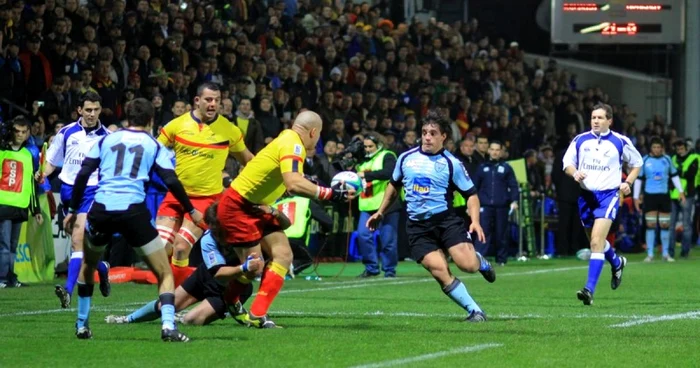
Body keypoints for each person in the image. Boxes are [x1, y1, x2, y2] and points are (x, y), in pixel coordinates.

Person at [65, 98, 203, 341]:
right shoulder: (153, 144)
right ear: (151, 120)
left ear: (127, 117)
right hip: (133, 213)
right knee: (164, 272)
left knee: (88, 266)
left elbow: (84, 173)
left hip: (102, 211)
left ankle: (82, 325)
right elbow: (170, 180)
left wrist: (73, 209)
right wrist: (191, 209)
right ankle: (168, 326)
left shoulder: (105, 139)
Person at [217, 110, 354, 328]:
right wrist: (331, 194)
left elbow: (285, 178)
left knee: (283, 254)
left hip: (256, 206)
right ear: (313, 132)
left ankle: (257, 314)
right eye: (318, 136)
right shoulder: (295, 145)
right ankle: (230, 299)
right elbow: (293, 183)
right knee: (254, 267)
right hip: (238, 207)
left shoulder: (286, 137)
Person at [366, 110, 495, 322]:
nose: (427, 137)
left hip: (445, 222)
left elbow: (471, 195)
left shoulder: (451, 163)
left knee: (467, 265)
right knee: (439, 270)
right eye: (424, 132)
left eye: (433, 133)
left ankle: (479, 262)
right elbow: (393, 185)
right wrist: (380, 211)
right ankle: (475, 311)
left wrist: (475, 221)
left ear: (443, 136)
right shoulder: (406, 159)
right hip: (418, 227)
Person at [104, 203, 290, 326]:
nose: (214, 232)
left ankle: (219, 310)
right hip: (208, 276)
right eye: (212, 229)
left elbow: (286, 223)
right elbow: (218, 273)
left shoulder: (247, 227)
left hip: (232, 288)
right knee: (166, 305)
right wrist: (243, 268)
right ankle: (127, 319)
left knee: (192, 321)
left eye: (217, 229)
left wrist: (273, 211)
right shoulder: (208, 239)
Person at [156, 82, 254, 287]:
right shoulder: (176, 125)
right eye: (209, 100)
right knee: (161, 249)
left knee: (181, 248)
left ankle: (175, 298)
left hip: (206, 200)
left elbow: (248, 161)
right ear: (197, 101)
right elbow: (153, 152)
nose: (213, 104)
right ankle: (167, 296)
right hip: (175, 196)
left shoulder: (229, 130)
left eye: (217, 100)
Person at [562, 103, 642, 306]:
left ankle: (589, 289)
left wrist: (628, 182)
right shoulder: (581, 140)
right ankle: (617, 262)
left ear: (609, 120)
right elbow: (567, 164)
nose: (595, 121)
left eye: (600, 118)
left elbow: (637, 163)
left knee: (597, 241)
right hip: (586, 197)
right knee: (595, 242)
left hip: (608, 196)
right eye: (593, 117)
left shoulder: (620, 141)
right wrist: (575, 172)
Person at [40, 91, 111, 308]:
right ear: (79, 110)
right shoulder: (67, 132)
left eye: (96, 110)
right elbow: (52, 161)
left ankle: (68, 291)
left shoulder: (107, 136)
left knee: (77, 241)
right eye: (88, 110)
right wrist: (42, 173)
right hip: (69, 191)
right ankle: (103, 268)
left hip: (92, 191)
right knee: (79, 245)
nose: (92, 114)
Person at [0, 116, 43, 288]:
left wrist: (36, 210)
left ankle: (10, 278)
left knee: (12, 246)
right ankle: (2, 278)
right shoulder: (2, 152)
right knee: (4, 245)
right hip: (3, 204)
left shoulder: (29, 154)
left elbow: (31, 184)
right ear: (11, 131)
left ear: (28, 134)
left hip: (21, 205)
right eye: (17, 131)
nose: (20, 134)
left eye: (23, 132)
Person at [633, 136, 685, 262]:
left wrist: (681, 191)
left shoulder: (667, 160)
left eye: (658, 147)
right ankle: (650, 253)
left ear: (662, 148)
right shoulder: (645, 160)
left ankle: (665, 254)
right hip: (650, 196)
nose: (656, 149)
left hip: (664, 196)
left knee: (665, 225)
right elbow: (639, 180)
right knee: (650, 225)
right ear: (651, 148)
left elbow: (674, 176)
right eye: (654, 147)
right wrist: (635, 197)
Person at [356, 132, 399, 278]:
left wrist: (366, 175)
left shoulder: (388, 155)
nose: (367, 149)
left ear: (379, 145)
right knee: (363, 236)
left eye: (370, 146)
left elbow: (389, 173)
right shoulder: (362, 161)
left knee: (388, 240)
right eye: (365, 146)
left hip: (387, 206)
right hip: (367, 205)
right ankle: (371, 268)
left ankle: (389, 270)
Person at [472, 140, 519, 265]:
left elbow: (513, 185)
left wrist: (514, 200)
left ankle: (501, 260)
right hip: (485, 206)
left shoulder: (507, 168)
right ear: (488, 151)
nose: (494, 152)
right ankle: (478, 259)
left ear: (501, 152)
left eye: (497, 150)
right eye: (492, 149)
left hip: (502, 206)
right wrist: (471, 205)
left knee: (501, 234)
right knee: (483, 233)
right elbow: (474, 187)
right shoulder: (482, 168)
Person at [669, 139, 698, 258]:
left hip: (687, 194)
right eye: (678, 149)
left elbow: (691, 174)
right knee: (671, 225)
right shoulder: (673, 158)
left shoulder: (695, 157)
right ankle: (669, 251)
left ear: (686, 148)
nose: (679, 151)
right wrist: (678, 173)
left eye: (681, 148)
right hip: (673, 194)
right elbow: (670, 174)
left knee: (686, 225)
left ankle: (685, 251)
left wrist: (677, 172)